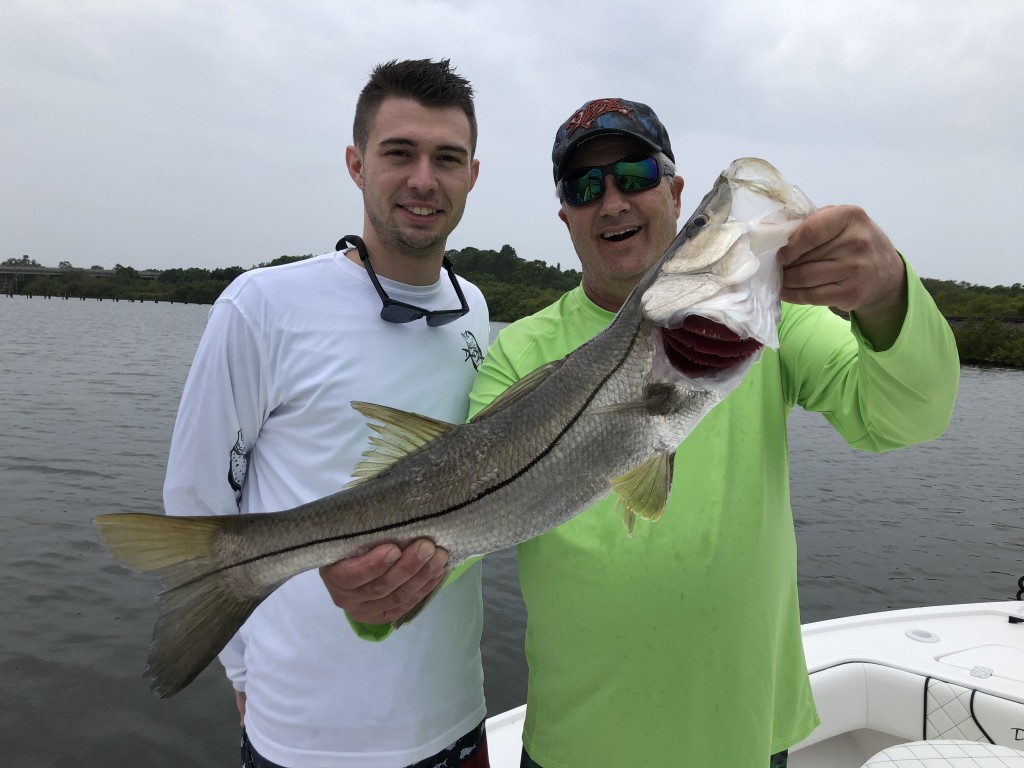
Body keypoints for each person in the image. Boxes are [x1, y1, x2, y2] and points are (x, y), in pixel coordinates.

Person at [463, 99, 959, 766]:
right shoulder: (520, 352)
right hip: (575, 744)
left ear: (675, 193)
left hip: (744, 738)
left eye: (634, 174)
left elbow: (908, 417)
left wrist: (886, 292)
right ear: (566, 217)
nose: (611, 201)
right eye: (585, 187)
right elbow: (459, 512)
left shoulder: (764, 323)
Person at [162, 59, 491, 768]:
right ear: (355, 163)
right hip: (307, 740)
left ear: (472, 174)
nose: (423, 180)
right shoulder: (261, 306)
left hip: (456, 718)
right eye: (399, 153)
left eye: (447, 158)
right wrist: (244, 675)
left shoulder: (478, 309)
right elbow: (196, 508)